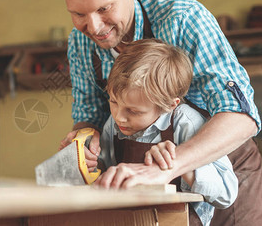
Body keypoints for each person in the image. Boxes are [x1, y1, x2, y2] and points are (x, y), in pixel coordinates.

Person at [55, 0, 262, 225]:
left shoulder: (182, 18)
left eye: (104, 9)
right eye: (78, 14)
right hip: (149, 179)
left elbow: (243, 116)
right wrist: (85, 140)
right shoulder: (80, 43)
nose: (93, 27)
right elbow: (88, 118)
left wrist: (170, 166)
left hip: (224, 170)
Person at [95, 39, 238, 226]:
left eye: (134, 111)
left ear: (171, 105)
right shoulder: (112, 125)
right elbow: (105, 174)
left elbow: (227, 194)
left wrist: (180, 164)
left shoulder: (187, 124)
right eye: (113, 102)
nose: (119, 117)